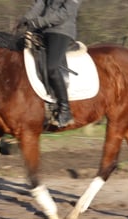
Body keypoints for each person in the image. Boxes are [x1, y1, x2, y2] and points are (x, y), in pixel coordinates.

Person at [17, 0, 82, 128]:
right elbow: (41, 3)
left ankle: (65, 110)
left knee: (52, 68)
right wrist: (26, 18)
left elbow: (65, 12)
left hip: (61, 31)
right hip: (42, 31)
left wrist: (40, 21)